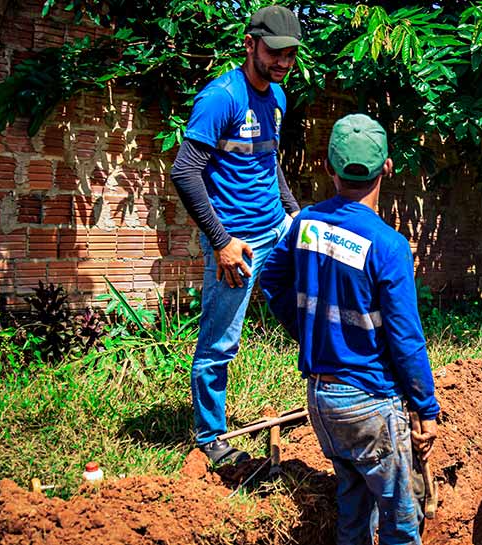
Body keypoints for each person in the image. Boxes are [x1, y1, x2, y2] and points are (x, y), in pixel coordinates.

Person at [259, 113, 440, 545]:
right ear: (388, 168)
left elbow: (271, 279)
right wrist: (426, 408)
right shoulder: (389, 246)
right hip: (369, 403)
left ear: (328, 167)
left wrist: (308, 331)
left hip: (322, 400)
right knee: (400, 522)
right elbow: (406, 339)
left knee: (354, 510)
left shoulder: (305, 223)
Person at [169, 6, 302, 464]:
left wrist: (294, 215)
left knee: (310, 304)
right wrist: (222, 242)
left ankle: (332, 392)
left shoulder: (279, 97)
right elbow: (185, 173)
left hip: (277, 227)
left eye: (290, 54)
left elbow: (269, 162)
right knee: (220, 342)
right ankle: (210, 439)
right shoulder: (220, 98)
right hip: (237, 241)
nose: (283, 62)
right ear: (250, 44)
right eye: (275, 52)